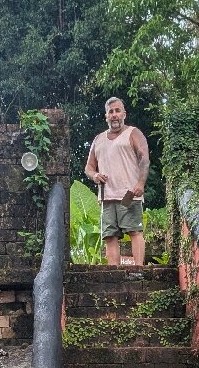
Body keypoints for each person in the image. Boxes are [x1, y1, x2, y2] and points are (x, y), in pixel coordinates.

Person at [85, 97, 150, 267]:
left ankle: (139, 269)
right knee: (110, 236)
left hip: (129, 194)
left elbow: (144, 160)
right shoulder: (98, 139)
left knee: (134, 231)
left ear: (124, 114)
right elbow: (89, 167)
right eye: (110, 112)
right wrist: (95, 176)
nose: (114, 115)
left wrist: (141, 183)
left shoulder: (133, 133)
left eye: (117, 111)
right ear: (106, 116)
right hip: (107, 197)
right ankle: (112, 273)